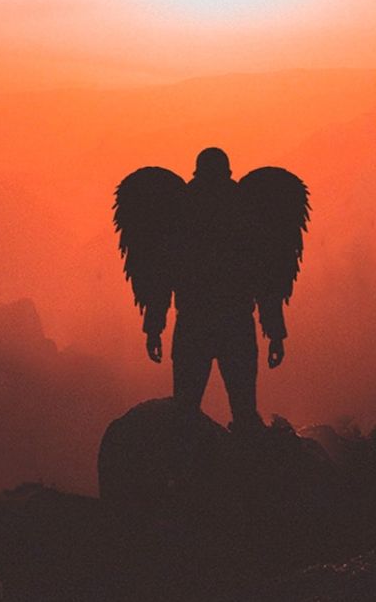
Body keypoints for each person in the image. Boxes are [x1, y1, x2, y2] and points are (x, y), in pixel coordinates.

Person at [113, 147, 308, 429]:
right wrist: (275, 334)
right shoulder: (245, 211)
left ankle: (187, 468)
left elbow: (162, 277)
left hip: (193, 324)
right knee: (244, 413)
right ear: (227, 172)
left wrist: (154, 328)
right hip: (236, 324)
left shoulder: (180, 211)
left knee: (185, 413)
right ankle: (246, 464)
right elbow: (266, 278)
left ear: (197, 172)